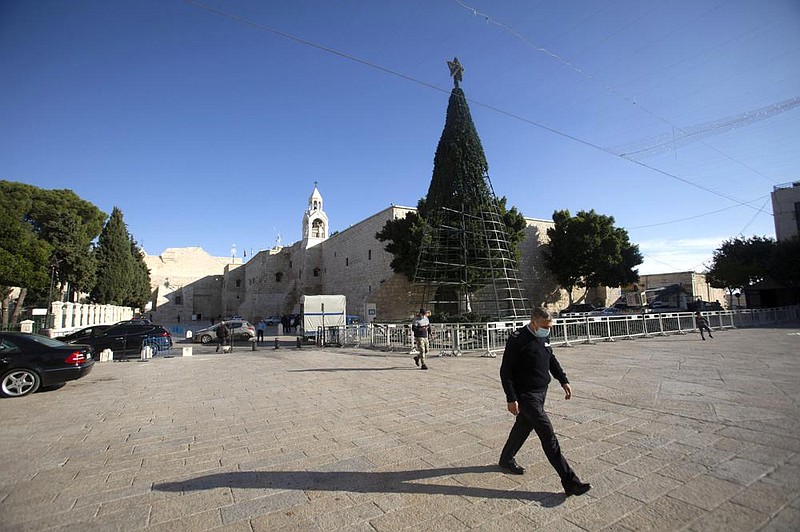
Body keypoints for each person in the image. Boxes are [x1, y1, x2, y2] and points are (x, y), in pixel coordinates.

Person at [498, 307, 591, 497]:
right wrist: (511, 398)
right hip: (526, 395)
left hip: (541, 391)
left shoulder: (543, 336)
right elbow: (505, 371)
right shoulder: (518, 339)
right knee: (548, 436)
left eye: (549, 326)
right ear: (533, 323)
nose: (547, 330)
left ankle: (506, 459)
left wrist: (563, 380)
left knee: (523, 427)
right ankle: (570, 481)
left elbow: (550, 359)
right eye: (544, 326)